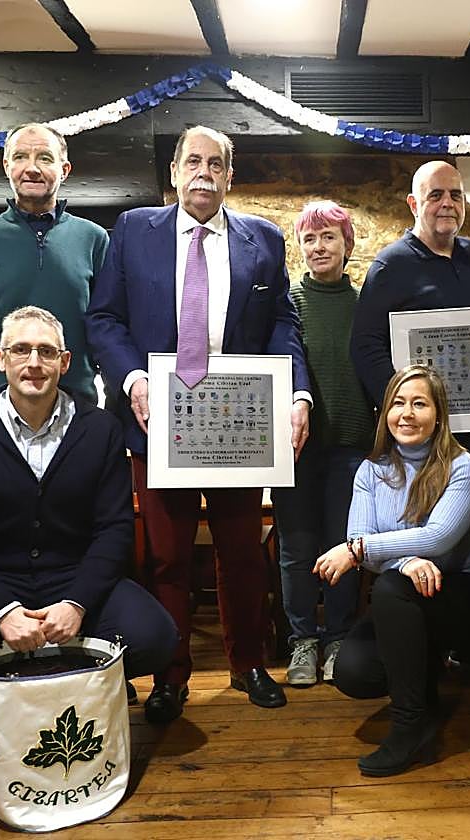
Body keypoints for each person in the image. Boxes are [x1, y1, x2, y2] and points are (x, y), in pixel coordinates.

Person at [86, 125, 312, 721]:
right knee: (167, 558)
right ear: (174, 172)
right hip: (157, 424)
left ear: (229, 176)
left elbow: (284, 326)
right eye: (193, 161)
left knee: (242, 553)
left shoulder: (263, 239)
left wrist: (298, 395)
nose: (203, 172)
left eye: (216, 163)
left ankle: (249, 664)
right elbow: (104, 320)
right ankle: (170, 674)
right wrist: (134, 379)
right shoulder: (134, 231)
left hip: (238, 426)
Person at [0, 306, 178, 722]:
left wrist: (77, 604)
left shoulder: (100, 429)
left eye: (47, 352)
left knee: (155, 638)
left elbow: (114, 529)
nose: (34, 363)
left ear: (65, 363)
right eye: (21, 350)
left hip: (73, 575)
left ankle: (83, 680)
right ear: (1, 359)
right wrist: (3, 610)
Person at [315, 364, 470, 776]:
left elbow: (438, 539)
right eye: (398, 403)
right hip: (405, 599)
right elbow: (360, 537)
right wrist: (405, 559)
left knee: (389, 590)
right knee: (354, 672)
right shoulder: (370, 471)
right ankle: (426, 678)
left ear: (439, 414)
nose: (407, 413)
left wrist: (363, 551)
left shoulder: (464, 467)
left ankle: (409, 724)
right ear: (385, 413)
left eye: (420, 403)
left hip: (463, 592)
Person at [0, 122, 108, 418]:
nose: (31, 168)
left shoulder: (93, 239)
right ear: (7, 166)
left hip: (75, 409)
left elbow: (105, 330)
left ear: (64, 169)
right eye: (20, 157)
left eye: (45, 158)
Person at [273, 201, 375, 687]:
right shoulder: (287, 303)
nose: (319, 247)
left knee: (344, 546)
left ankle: (337, 637)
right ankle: (302, 641)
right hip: (294, 451)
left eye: (329, 237)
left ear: (347, 244)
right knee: (296, 549)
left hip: (353, 447)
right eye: (310, 239)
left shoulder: (367, 305)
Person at [349, 160, 470, 471]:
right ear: (414, 204)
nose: (448, 204)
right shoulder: (390, 266)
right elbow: (365, 347)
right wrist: (407, 408)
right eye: (436, 195)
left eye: (456, 196)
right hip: (422, 440)